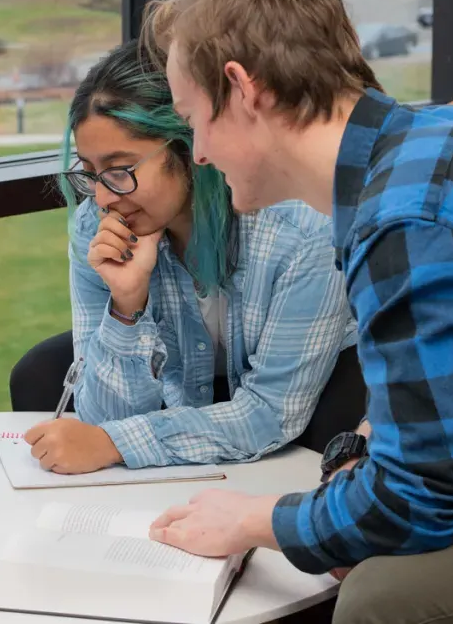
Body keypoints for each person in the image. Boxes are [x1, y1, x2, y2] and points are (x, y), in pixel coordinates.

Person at [142, 0, 453, 624]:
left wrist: (254, 519)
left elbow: (419, 499)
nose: (197, 152)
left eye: (193, 117)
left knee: (380, 600)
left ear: (241, 88)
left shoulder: (406, 220)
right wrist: (360, 468)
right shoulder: (449, 137)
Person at [19, 39, 365, 475]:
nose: (104, 197)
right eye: (90, 174)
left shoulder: (300, 228)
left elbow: (271, 415)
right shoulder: (97, 225)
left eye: (120, 170)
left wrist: (114, 444)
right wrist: (127, 305)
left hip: (310, 388)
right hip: (187, 387)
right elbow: (100, 418)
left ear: (191, 148)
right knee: (38, 370)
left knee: (345, 406)